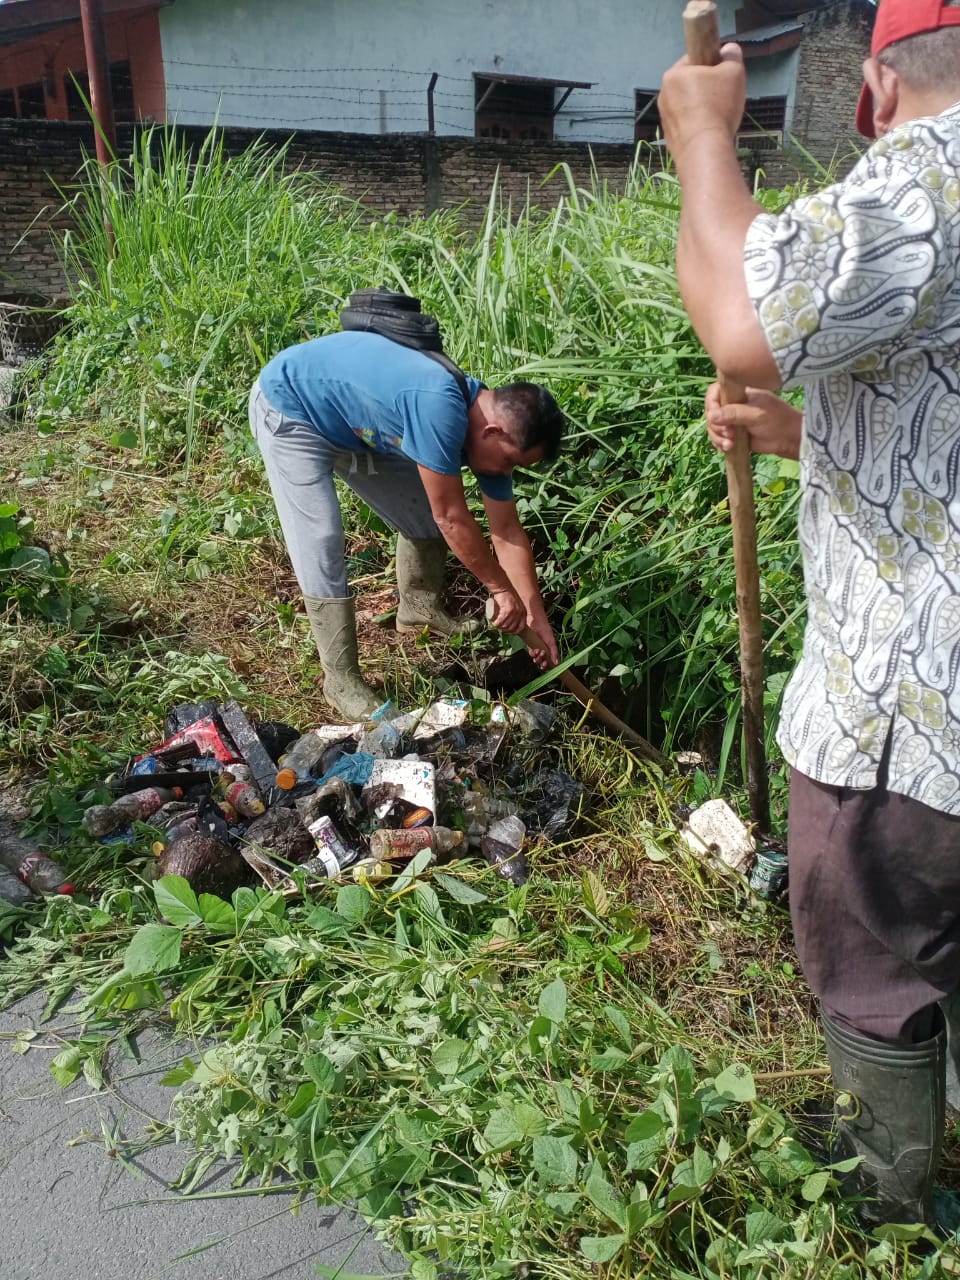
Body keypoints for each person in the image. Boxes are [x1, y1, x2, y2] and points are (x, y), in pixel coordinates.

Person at [659, 0, 960, 1231]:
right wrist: (806, 433)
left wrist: (701, 136)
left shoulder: (932, 172)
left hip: (911, 712)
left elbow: (745, 318)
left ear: (876, 90)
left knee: (879, 953)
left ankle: (882, 1209)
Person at [249, 329, 564, 720]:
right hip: (291, 407)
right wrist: (500, 589)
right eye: (510, 462)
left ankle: (418, 608)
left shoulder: (484, 427)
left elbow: (508, 532)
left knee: (421, 511)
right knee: (323, 540)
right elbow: (451, 517)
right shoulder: (439, 407)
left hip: (352, 422)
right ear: (493, 431)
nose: (506, 472)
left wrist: (534, 613)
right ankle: (341, 680)